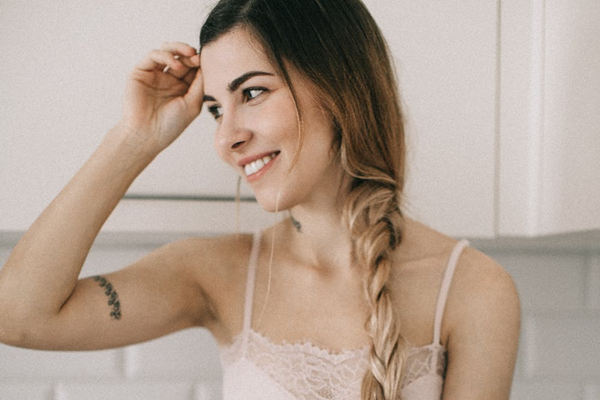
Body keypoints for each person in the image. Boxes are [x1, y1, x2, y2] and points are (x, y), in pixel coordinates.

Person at [0, 0, 520, 399]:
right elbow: (20, 316)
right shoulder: (216, 274)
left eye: (252, 93)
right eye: (214, 109)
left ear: (339, 87)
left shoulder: (472, 289)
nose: (226, 138)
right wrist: (135, 138)